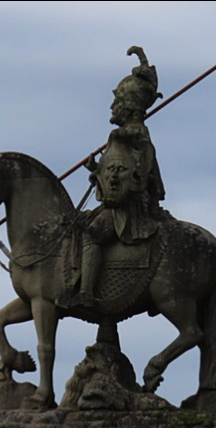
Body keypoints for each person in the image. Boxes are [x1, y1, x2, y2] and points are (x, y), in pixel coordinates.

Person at [77, 47, 169, 307]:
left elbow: (130, 175)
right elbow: (116, 172)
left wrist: (107, 167)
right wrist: (97, 170)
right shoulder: (127, 136)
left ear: (127, 107)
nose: (112, 107)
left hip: (129, 209)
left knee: (91, 234)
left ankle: (86, 293)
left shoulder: (132, 135)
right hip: (122, 203)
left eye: (117, 102)